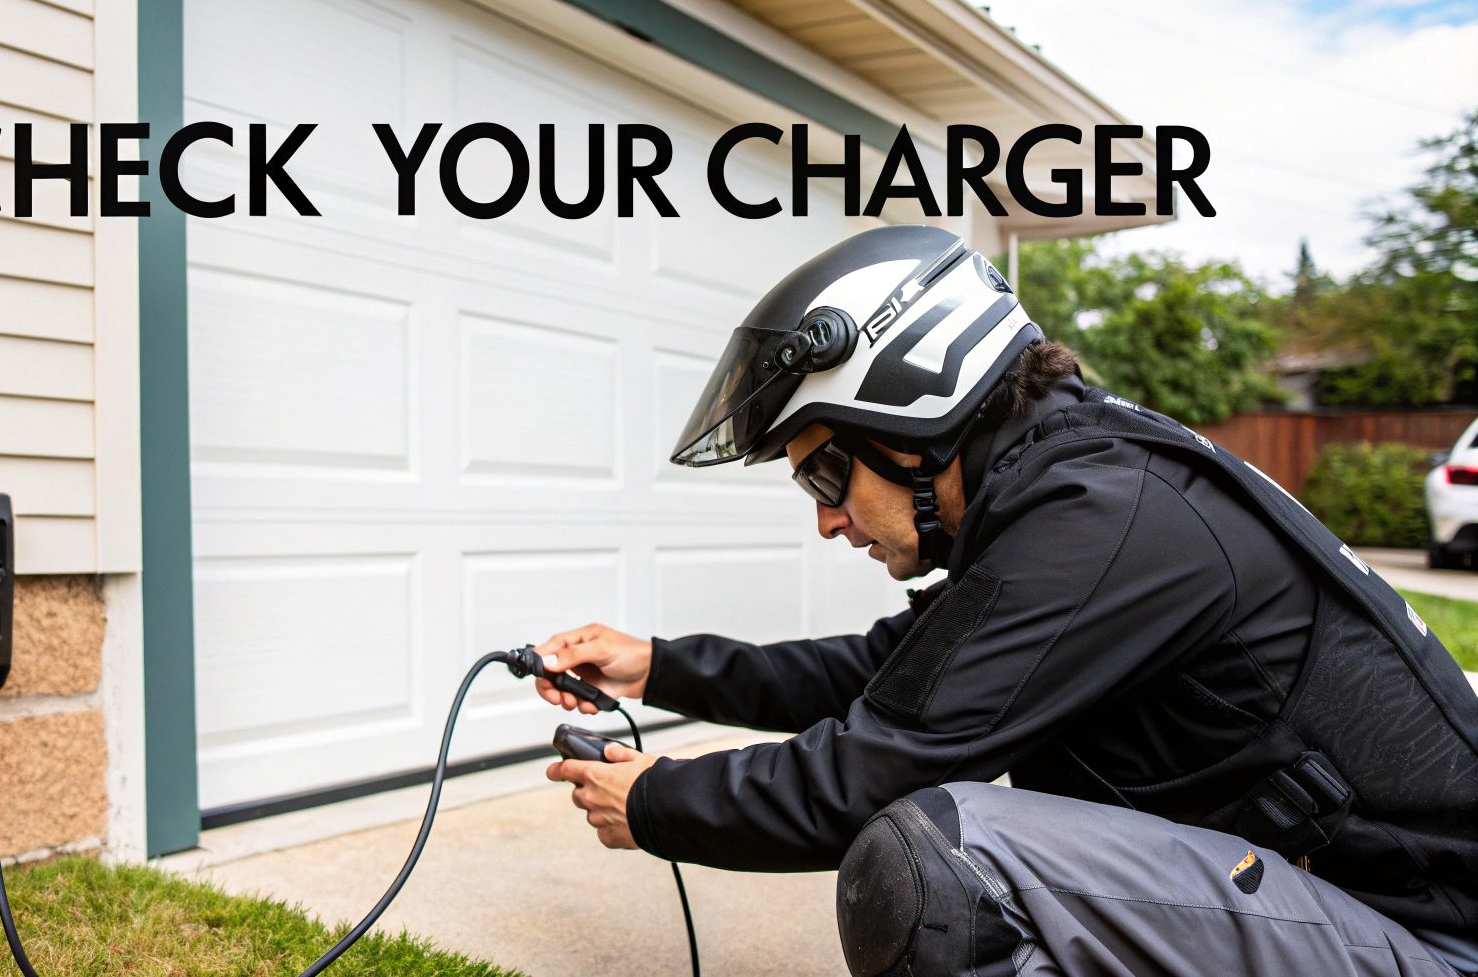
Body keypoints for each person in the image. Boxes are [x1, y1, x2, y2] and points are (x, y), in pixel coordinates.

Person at [535, 225, 1478, 976]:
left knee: (944, 858)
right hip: (1347, 915)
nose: (827, 522)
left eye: (825, 475)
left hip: (1427, 943)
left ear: (910, 411)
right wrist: (658, 663)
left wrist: (658, 798)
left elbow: (876, 770)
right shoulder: (1076, 496)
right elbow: (887, 676)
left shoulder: (1106, 518)